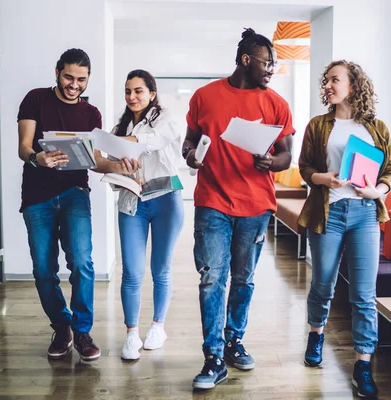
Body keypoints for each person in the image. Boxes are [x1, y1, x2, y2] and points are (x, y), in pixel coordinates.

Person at [183, 28, 295, 389]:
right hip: (212, 201)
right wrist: (191, 156)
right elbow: (190, 142)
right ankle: (213, 356)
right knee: (213, 276)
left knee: (244, 279)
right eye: (268, 61)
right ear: (246, 60)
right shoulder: (205, 96)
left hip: (255, 205)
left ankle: (233, 341)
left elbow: (286, 155)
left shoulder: (276, 103)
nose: (272, 68)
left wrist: (272, 162)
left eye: (275, 63)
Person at [18, 48, 139, 363]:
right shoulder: (35, 99)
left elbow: (96, 161)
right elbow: (24, 147)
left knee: (83, 264)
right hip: (37, 196)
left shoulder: (91, 113)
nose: (74, 85)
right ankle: (61, 326)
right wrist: (37, 158)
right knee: (44, 270)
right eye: (69, 77)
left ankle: (82, 330)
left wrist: (119, 167)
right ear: (57, 71)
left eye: (81, 79)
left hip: (75, 192)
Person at [298, 60, 391, 398]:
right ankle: (315, 334)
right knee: (323, 284)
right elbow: (304, 167)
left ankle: (363, 365)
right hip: (329, 213)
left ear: (353, 85)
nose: (327, 85)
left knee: (364, 295)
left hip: (365, 214)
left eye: (334, 79)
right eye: (325, 80)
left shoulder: (376, 127)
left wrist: (378, 190)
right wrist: (323, 178)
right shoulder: (318, 125)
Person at [109, 70, 184, 361]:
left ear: (152, 93)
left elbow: (152, 140)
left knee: (161, 269)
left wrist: (122, 143)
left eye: (138, 91)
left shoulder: (167, 118)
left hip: (166, 199)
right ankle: (131, 334)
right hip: (133, 203)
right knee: (131, 271)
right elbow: (112, 160)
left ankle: (157, 327)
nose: (132, 97)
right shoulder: (122, 126)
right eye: (128, 91)